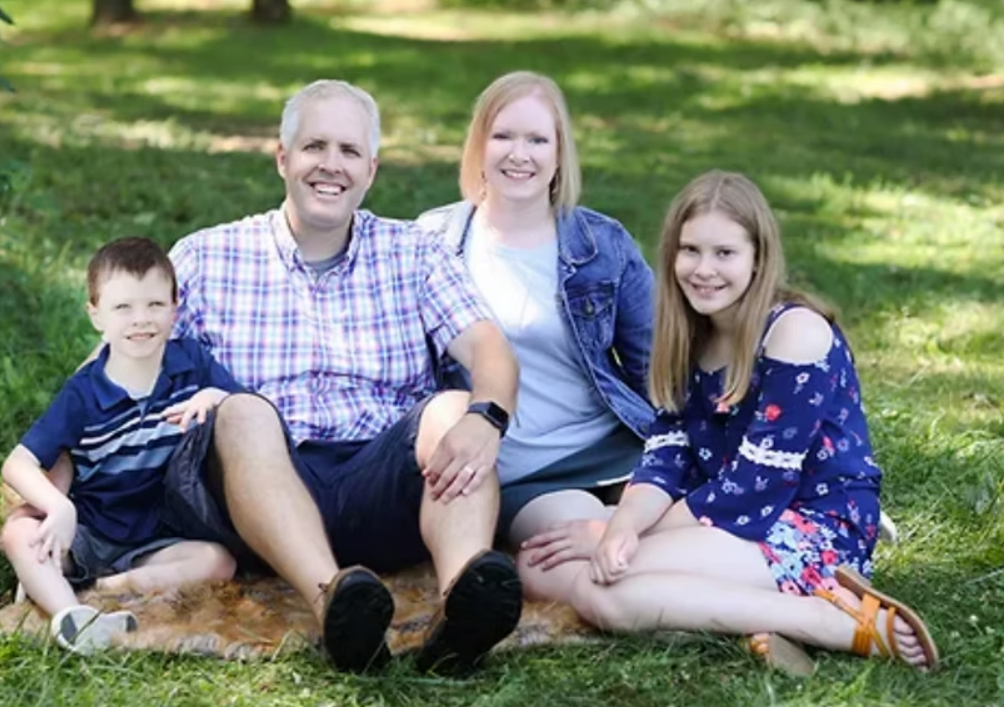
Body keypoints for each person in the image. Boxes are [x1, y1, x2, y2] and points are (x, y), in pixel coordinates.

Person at [163, 79, 523, 675]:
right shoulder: (207, 256)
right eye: (314, 147)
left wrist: (487, 418)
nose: (331, 166)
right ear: (283, 158)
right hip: (258, 488)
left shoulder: (415, 253)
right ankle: (333, 601)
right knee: (244, 410)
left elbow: (491, 350)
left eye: (350, 152)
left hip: (381, 482)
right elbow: (116, 372)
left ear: (371, 170)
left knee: (455, 407)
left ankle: (465, 604)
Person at [567, 170, 939, 669]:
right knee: (548, 569)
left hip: (809, 526)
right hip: (725, 517)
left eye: (725, 253)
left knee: (599, 591)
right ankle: (754, 616)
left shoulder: (794, 333)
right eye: (690, 250)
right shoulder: (685, 338)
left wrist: (626, 534)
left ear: (758, 257)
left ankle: (834, 623)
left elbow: (756, 485)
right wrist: (621, 524)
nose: (704, 269)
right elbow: (665, 455)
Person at [416, 71, 655, 604]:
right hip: (526, 473)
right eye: (503, 136)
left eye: (537, 139)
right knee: (583, 544)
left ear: (559, 154)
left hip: (615, 444)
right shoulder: (433, 241)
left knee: (668, 519)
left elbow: (656, 368)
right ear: (479, 145)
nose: (518, 154)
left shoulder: (601, 243)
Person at [0, 237, 240, 655]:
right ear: (96, 316)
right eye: (123, 308)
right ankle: (71, 616)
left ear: (175, 309)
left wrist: (215, 398)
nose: (140, 320)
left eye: (154, 305)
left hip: (157, 537)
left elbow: (250, 408)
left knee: (219, 562)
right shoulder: (83, 393)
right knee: (18, 533)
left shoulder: (193, 365)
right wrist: (60, 508)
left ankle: (105, 592)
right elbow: (17, 463)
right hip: (89, 529)